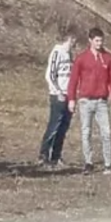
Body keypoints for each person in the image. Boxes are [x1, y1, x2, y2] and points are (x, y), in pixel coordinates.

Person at [66, 27, 111, 175]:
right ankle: (88, 162)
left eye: (101, 41)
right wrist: (71, 99)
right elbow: (74, 80)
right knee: (86, 132)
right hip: (85, 100)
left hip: (101, 101)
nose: (99, 43)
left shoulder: (109, 58)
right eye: (96, 41)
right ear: (90, 41)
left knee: (106, 132)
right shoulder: (81, 59)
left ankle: (108, 163)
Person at [39, 31, 76, 167]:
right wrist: (58, 91)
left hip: (69, 94)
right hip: (57, 94)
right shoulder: (57, 52)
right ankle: (43, 155)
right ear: (69, 39)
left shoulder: (70, 55)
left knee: (64, 127)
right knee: (54, 125)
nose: (74, 43)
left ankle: (56, 156)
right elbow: (50, 75)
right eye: (73, 40)